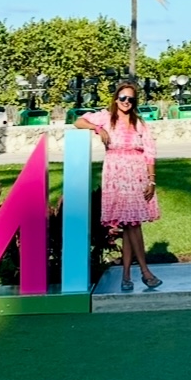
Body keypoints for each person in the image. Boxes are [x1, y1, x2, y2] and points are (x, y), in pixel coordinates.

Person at [75, 82, 162, 290]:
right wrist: (97, 128)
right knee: (130, 225)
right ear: (116, 99)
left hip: (137, 174)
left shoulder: (139, 123)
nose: (126, 102)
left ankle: (128, 275)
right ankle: (143, 271)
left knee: (132, 224)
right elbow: (78, 122)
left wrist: (151, 180)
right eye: (123, 98)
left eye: (131, 99)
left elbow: (150, 153)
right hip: (116, 175)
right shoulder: (105, 118)